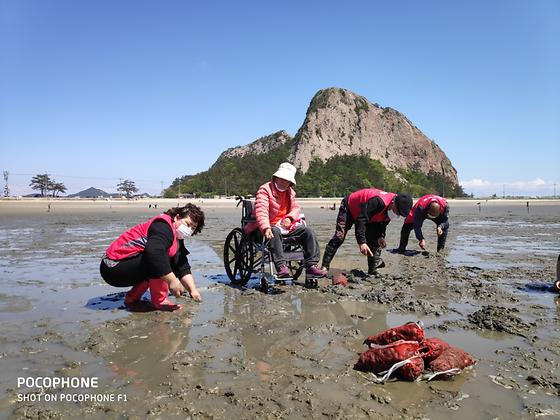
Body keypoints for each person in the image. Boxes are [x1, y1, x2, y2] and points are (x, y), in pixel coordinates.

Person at [100, 204, 205, 310]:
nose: (189, 229)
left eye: (192, 228)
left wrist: (193, 290)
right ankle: (160, 301)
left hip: (127, 266)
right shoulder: (162, 226)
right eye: (187, 224)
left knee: (167, 260)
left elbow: (182, 265)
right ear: (177, 217)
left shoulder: (177, 238)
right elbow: (154, 254)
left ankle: (132, 297)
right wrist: (172, 281)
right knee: (159, 258)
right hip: (112, 267)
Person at [245, 162, 326, 279]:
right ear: (276, 177)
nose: (283, 182)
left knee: (308, 232)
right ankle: (281, 267)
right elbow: (261, 211)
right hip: (264, 228)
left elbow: (295, 208)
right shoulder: (265, 190)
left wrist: (289, 217)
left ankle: (311, 266)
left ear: (290, 182)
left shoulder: (290, 192)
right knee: (274, 231)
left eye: (286, 180)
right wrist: (266, 227)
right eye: (281, 179)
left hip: (285, 227)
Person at [321, 188, 412, 275]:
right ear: (393, 203)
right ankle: (324, 267)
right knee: (339, 236)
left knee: (376, 239)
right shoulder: (379, 202)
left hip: (366, 213)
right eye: (397, 212)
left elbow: (382, 224)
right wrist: (362, 242)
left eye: (399, 214)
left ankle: (372, 270)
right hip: (349, 207)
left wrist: (381, 236)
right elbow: (361, 220)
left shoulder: (391, 209)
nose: (396, 215)